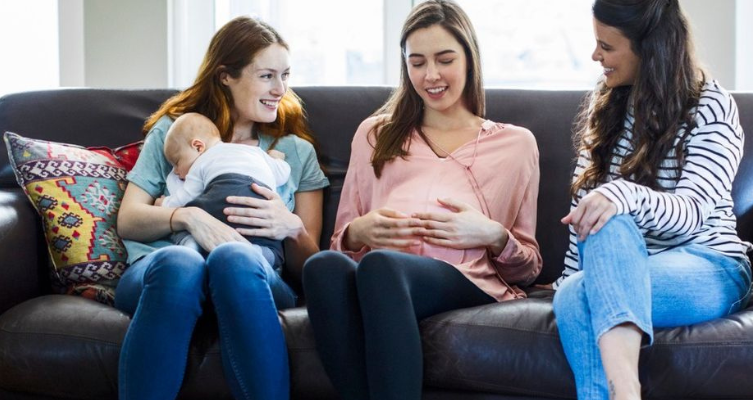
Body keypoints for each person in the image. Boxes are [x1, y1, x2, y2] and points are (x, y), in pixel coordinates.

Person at [303, 1, 542, 399]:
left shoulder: (515, 144)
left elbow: (529, 269)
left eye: (444, 59)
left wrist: (492, 234)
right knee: (323, 267)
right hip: (377, 274)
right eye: (417, 62)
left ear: (469, 58)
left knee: (381, 266)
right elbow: (339, 244)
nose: (430, 75)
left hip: (461, 278)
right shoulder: (374, 134)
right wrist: (357, 231)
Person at [115, 16, 329, 400]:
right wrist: (188, 217)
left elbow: (309, 267)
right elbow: (129, 220)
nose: (280, 89)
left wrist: (291, 227)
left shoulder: (295, 152)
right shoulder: (177, 133)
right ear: (225, 75)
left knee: (234, 258)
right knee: (182, 264)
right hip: (163, 270)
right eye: (266, 76)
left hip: (254, 276)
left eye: (285, 76)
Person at [550, 1, 753, 399]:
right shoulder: (607, 104)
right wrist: (568, 275)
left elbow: (693, 212)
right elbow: (585, 210)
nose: (596, 56)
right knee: (574, 290)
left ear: (650, 47)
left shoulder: (711, 107)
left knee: (603, 240)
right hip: (620, 264)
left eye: (606, 46)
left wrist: (623, 193)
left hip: (708, 264)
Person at [158, 112, 290, 267]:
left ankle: (191, 247)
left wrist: (164, 204)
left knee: (187, 223)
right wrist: (277, 159)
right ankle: (258, 253)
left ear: (198, 146)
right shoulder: (256, 152)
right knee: (271, 246)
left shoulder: (201, 162)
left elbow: (186, 196)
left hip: (221, 203)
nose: (176, 171)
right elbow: (283, 174)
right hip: (259, 210)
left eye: (177, 162)